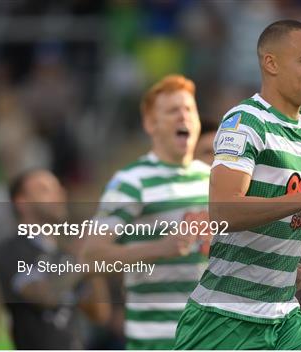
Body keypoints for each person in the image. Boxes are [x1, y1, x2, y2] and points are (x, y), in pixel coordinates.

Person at [174, 20, 301, 350]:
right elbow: (224, 211)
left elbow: (281, 214)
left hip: (282, 313)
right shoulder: (244, 122)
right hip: (225, 318)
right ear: (271, 63)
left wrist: (278, 268)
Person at [82, 75, 211, 349]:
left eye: (189, 109)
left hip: (211, 339)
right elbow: (90, 257)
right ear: (150, 124)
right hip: (156, 341)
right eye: (172, 110)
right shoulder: (131, 182)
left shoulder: (213, 179)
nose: (183, 117)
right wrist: (160, 248)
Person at [0, 169, 110, 349]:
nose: (59, 194)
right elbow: (44, 297)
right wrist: (81, 259)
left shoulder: (64, 254)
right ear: (22, 203)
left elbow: (99, 313)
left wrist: (94, 261)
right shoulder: (10, 251)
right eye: (45, 189)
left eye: (58, 188)